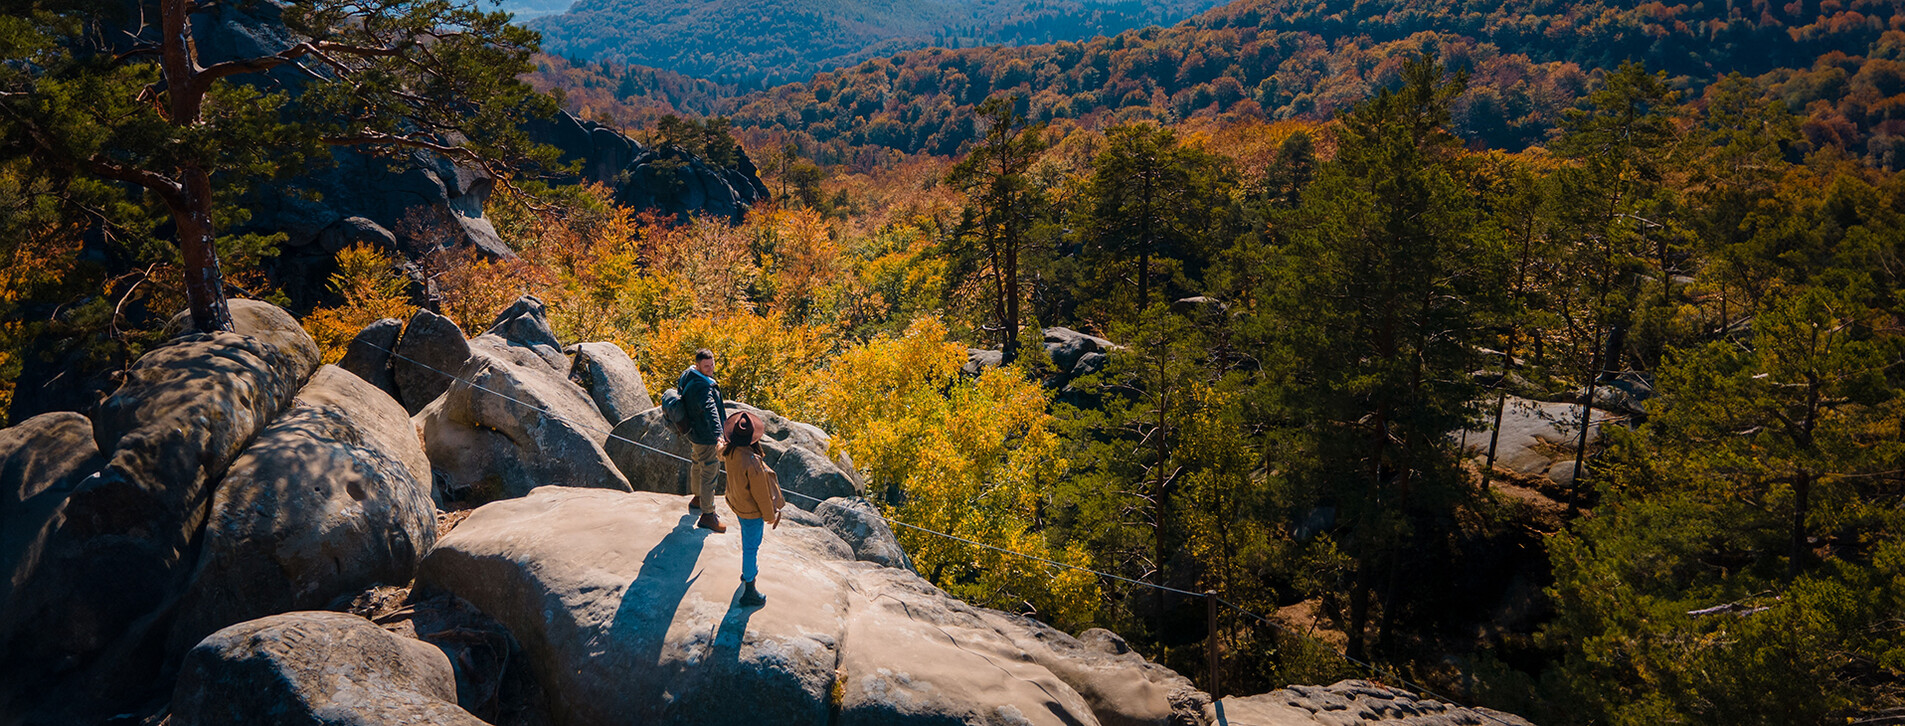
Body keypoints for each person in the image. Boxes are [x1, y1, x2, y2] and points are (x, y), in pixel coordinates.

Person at [721, 411, 784, 607]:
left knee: (747, 541)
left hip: (737, 503)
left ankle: (746, 573)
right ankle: (750, 589)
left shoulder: (728, 451)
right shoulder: (752, 462)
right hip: (751, 511)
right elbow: (761, 495)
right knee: (751, 548)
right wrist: (770, 516)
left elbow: (718, 449)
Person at [678, 348, 728, 532]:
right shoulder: (702, 386)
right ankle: (708, 515)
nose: (710, 369)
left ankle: (698, 498)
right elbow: (710, 409)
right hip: (706, 436)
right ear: (698, 365)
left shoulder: (688, 374)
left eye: (712, 364)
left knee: (697, 464)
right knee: (709, 472)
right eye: (706, 366)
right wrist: (719, 435)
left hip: (694, 432)